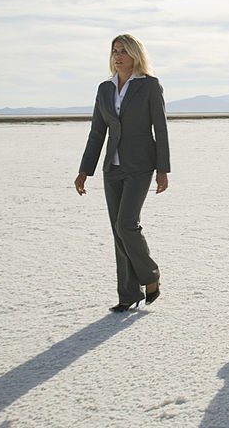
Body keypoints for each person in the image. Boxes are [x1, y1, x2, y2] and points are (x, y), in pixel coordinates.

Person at [75, 34, 169, 312]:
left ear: (135, 55)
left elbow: (160, 129)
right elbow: (97, 132)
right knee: (117, 231)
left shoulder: (149, 86)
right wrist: (85, 170)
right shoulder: (105, 89)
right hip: (111, 168)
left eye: (124, 51)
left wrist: (163, 169)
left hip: (141, 166)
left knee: (126, 225)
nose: (118, 56)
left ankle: (150, 276)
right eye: (115, 51)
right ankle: (128, 295)